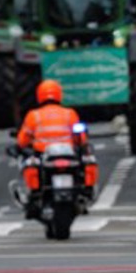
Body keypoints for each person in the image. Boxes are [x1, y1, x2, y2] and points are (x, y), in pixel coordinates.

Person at [14, 80, 92, 217]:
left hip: (44, 155)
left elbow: (22, 141)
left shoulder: (34, 115)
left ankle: (34, 195)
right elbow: (81, 138)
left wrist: (20, 147)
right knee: (88, 161)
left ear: (39, 95)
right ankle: (86, 191)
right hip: (69, 154)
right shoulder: (70, 113)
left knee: (29, 165)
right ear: (59, 95)